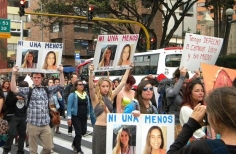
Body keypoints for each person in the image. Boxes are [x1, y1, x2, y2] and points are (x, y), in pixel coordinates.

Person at [10, 65, 64, 154]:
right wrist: (13, 74)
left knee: (48, 148)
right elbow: (14, 89)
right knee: (33, 151)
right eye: (34, 77)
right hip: (32, 125)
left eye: (38, 77)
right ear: (32, 78)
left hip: (45, 124)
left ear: (42, 78)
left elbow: (61, 86)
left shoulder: (47, 89)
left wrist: (61, 72)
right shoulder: (28, 90)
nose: (36, 79)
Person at [167, 87, 236, 154]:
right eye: (197, 91)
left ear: (215, 118)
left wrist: (191, 125)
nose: (200, 93)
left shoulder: (202, 148)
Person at [89, 64, 131, 154]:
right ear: (99, 87)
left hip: (110, 128)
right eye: (103, 86)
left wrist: (128, 68)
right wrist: (91, 72)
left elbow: (122, 83)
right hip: (99, 129)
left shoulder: (110, 97)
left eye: (107, 86)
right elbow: (90, 88)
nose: (105, 88)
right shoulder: (95, 98)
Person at [2, 81, 29, 154]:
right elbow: (7, 103)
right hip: (13, 115)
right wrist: (16, 98)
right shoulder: (12, 91)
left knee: (22, 134)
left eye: (25, 88)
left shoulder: (28, 93)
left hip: (23, 116)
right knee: (11, 134)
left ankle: (20, 151)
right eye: (22, 88)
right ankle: (6, 150)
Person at [67, 80, 90, 154]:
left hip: (84, 116)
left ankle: (74, 144)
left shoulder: (85, 94)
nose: (82, 85)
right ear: (76, 86)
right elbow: (69, 106)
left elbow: (88, 105)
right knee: (78, 132)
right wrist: (69, 117)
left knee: (83, 131)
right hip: (76, 116)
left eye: (82, 84)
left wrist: (88, 114)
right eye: (79, 84)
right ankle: (78, 149)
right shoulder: (73, 95)